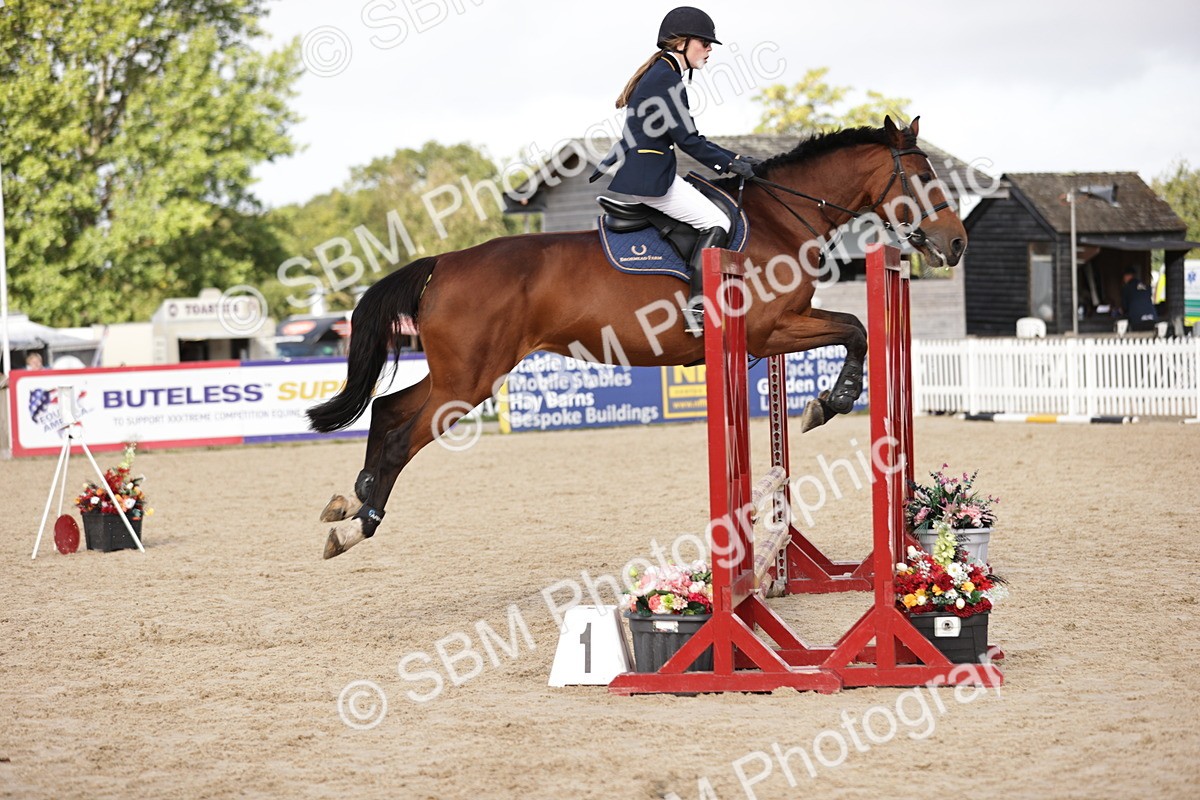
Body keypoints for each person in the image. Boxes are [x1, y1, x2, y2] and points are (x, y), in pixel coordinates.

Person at [590, 6, 759, 333]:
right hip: (653, 179)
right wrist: (732, 162)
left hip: (654, 172)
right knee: (717, 220)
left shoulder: (663, 73)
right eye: (705, 43)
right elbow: (688, 139)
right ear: (682, 42)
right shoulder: (666, 78)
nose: (709, 50)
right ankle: (697, 309)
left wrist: (736, 157)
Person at [1120, 267, 1158, 332]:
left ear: (1127, 276)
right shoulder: (1145, 286)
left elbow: (1125, 307)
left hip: (1137, 320)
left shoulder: (1127, 288)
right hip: (1153, 318)